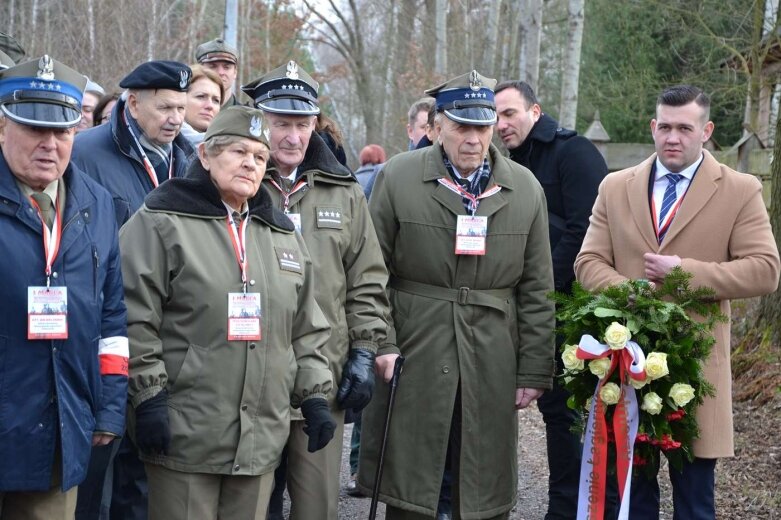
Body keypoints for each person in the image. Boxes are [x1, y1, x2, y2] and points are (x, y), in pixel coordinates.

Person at [118, 105, 336, 520]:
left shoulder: (281, 234)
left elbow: (307, 328)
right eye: (238, 152)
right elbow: (133, 316)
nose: (250, 164)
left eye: (258, 156)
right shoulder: (162, 221)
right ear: (205, 156)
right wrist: (147, 395)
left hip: (259, 439)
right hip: (185, 435)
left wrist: (314, 396)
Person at [575, 85, 780, 519]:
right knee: (634, 501)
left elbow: (765, 270)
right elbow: (588, 263)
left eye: (684, 128)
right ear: (653, 127)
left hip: (697, 370)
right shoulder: (615, 186)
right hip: (627, 365)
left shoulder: (740, 189)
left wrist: (683, 274)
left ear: (706, 131)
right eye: (665, 127)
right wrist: (630, 292)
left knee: (694, 503)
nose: (673, 137)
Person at [358, 70, 556, 520]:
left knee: (482, 476)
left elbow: (537, 287)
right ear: (437, 126)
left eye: (482, 126)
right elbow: (371, 273)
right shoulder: (398, 177)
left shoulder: (524, 187)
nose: (472, 138)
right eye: (461, 126)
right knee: (414, 478)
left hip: (492, 349)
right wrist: (382, 343)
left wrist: (534, 367)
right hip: (417, 344)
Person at [242, 61, 389, 520]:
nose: (292, 136)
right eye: (280, 123)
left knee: (316, 506)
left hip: (323, 375)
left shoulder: (344, 190)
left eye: (302, 124)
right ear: (259, 124)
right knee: (247, 504)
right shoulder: (235, 182)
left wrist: (364, 350)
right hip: (249, 377)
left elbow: (367, 279)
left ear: (316, 125)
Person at [0, 55, 128, 520]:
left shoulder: (96, 203)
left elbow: (112, 316)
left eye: (63, 132)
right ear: (2, 127)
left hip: (59, 427)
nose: (50, 144)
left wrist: (110, 405)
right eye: (35, 129)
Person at [494, 80, 609, 520]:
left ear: (535, 111)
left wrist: (542, 291)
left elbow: (586, 232)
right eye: (497, 116)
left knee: (567, 412)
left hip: (570, 306)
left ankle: (573, 508)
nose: (503, 124)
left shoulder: (572, 152)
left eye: (510, 113)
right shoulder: (508, 162)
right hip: (529, 307)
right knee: (549, 410)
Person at [72, 60, 194, 227]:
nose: (176, 119)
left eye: (181, 108)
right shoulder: (82, 152)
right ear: (134, 104)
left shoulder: (193, 159)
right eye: (165, 108)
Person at [181, 64, 223, 146]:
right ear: (181, 98)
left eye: (216, 100)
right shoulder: (165, 146)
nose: (210, 106)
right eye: (200, 96)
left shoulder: (228, 146)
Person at [195, 37, 243, 106]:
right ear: (199, 70)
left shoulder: (247, 115)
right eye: (212, 66)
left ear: (235, 72)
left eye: (226, 67)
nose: (220, 72)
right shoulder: (184, 113)